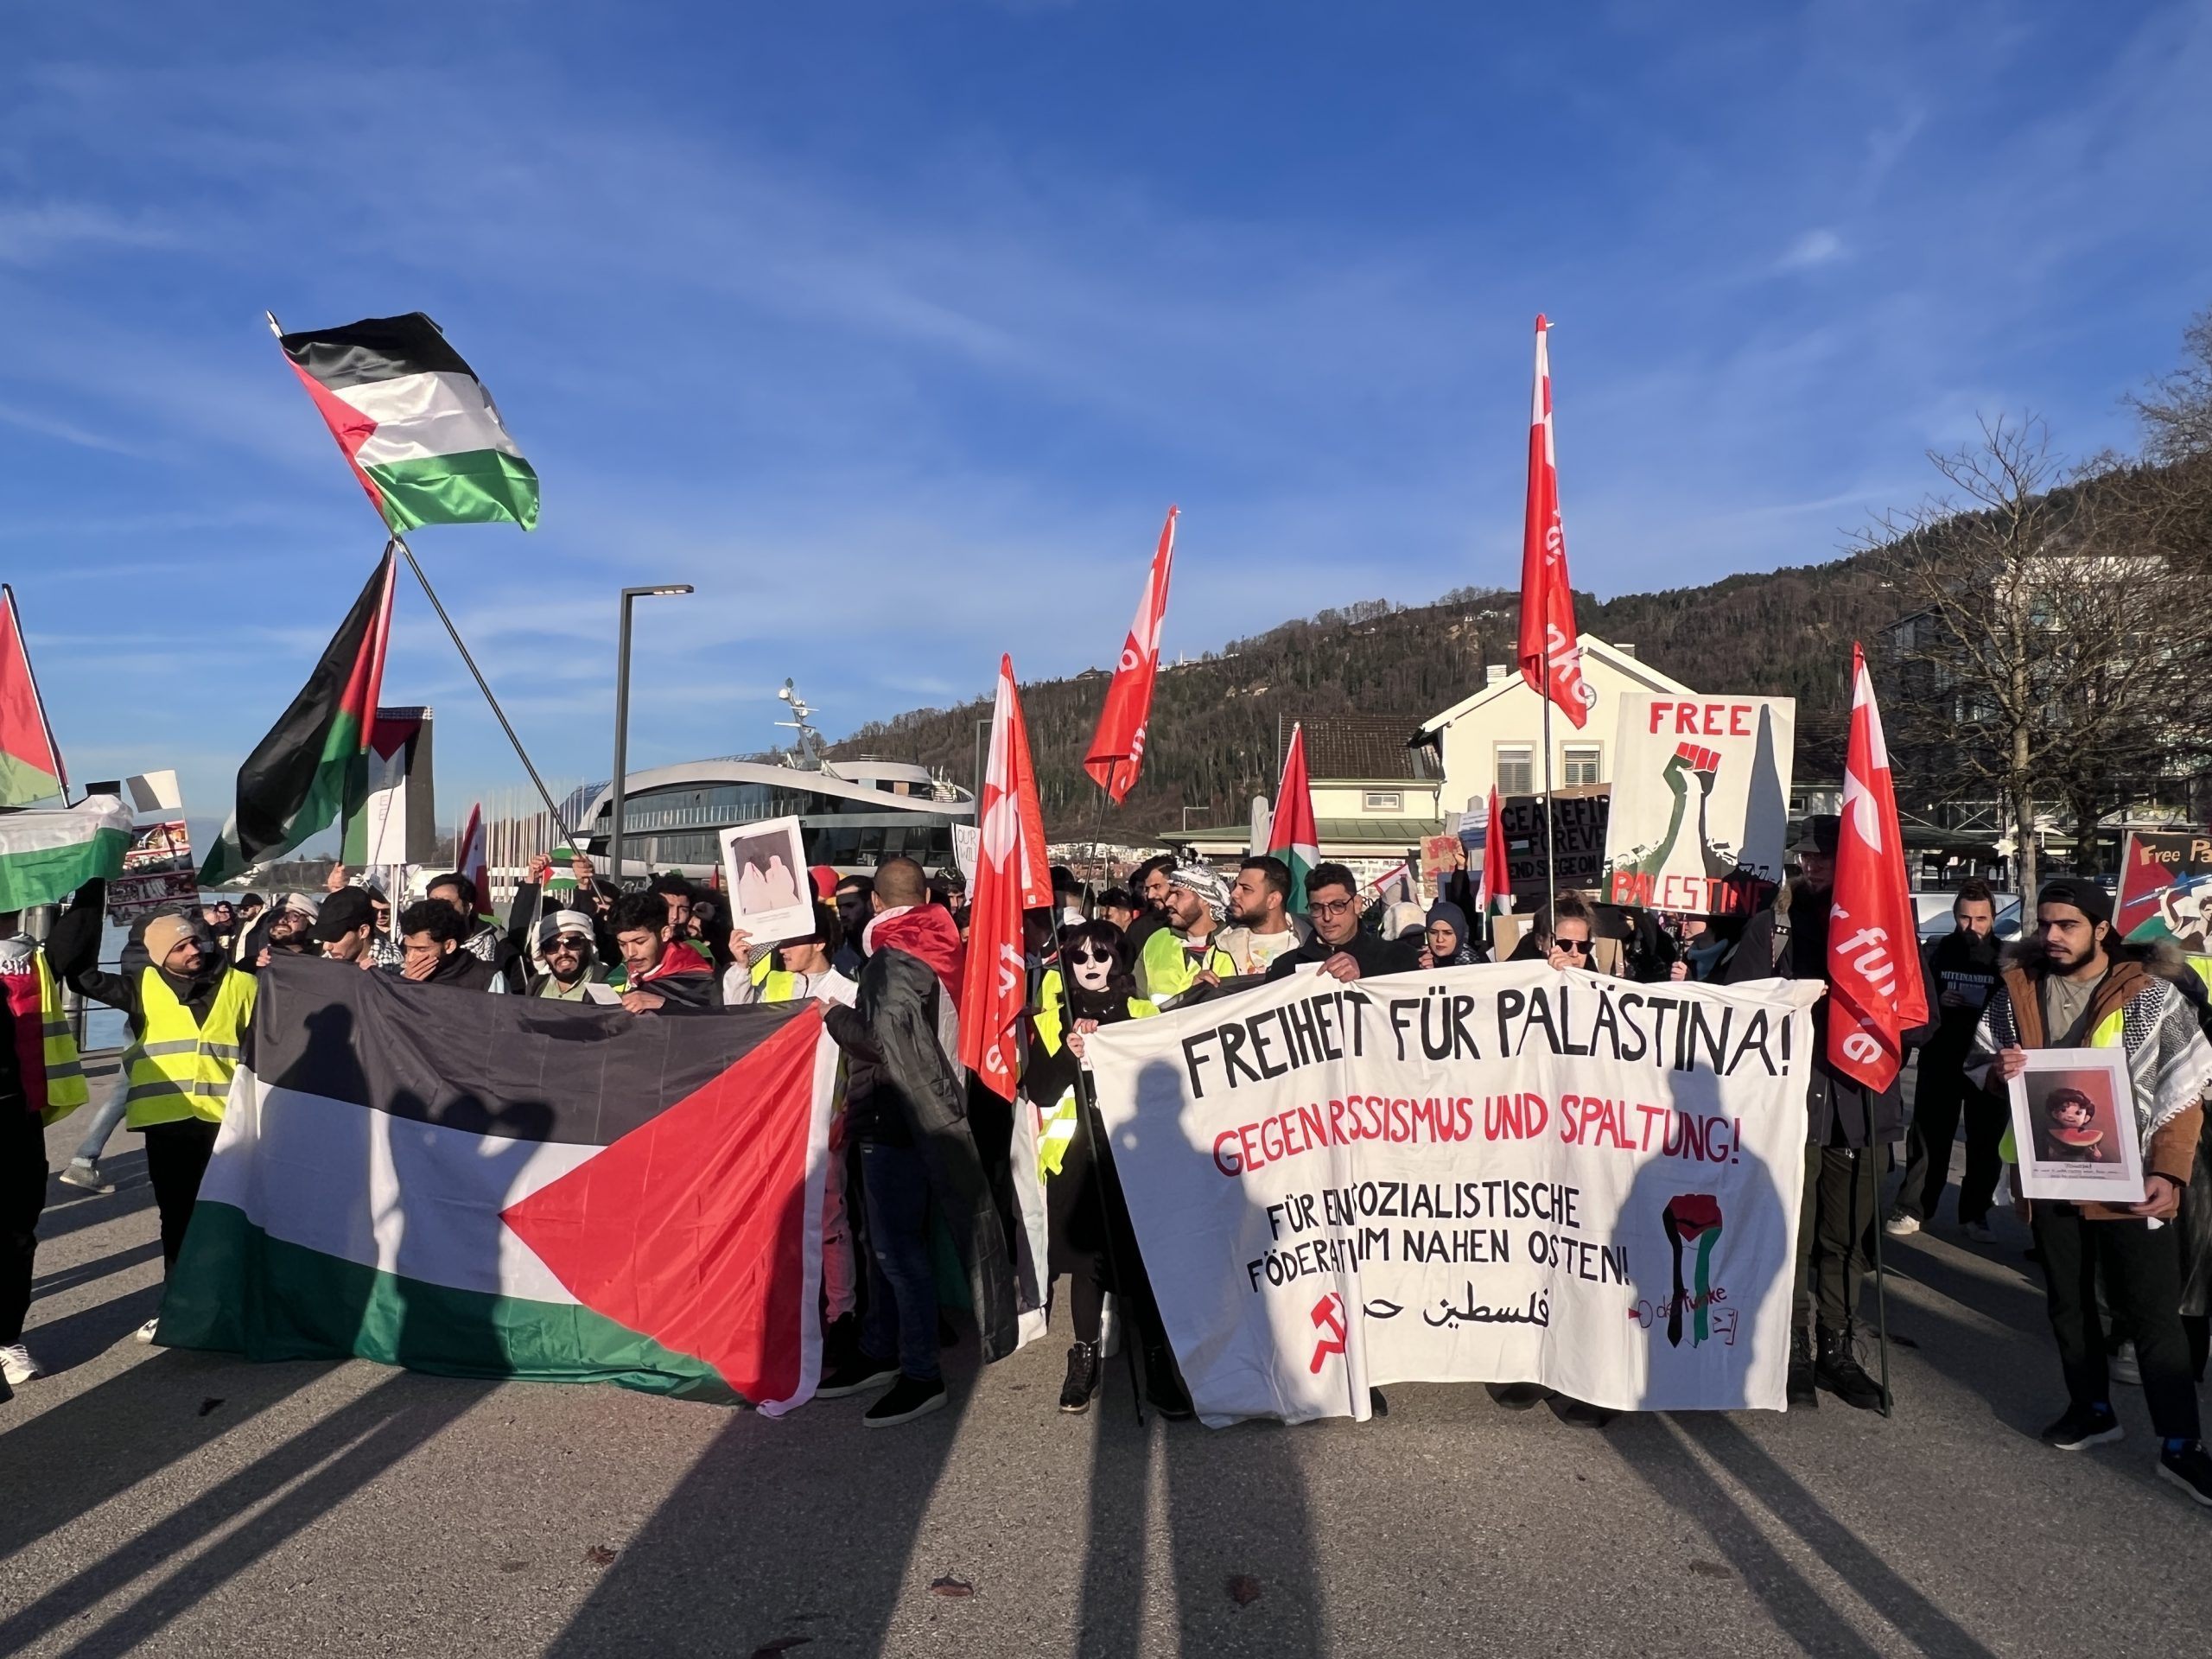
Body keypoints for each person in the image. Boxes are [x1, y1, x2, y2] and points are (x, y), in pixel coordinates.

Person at [1974, 878, 2212, 1504]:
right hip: (2049, 1177)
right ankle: (2092, 1408)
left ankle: (2181, 1445)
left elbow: (2183, 1094)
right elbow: (1979, 1067)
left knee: (2153, 1314)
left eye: (2068, 925)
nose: (2052, 937)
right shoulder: (2013, 995)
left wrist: (2171, 1172)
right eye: (2045, 925)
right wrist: (2000, 1073)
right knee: (2068, 1305)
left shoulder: (2153, 998)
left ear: (2101, 929)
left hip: (2129, 1179)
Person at [1719, 815, 1933, 1411]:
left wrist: (1869, 1013)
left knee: (1847, 1240)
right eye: (1806, 856)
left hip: (1863, 1110)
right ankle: (1790, 1350)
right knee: (1793, 1234)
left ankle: (1836, 1348)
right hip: (1794, 1111)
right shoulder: (1775, 928)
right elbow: (1738, 1013)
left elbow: (1923, 1022)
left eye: (1824, 856)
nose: (1811, 865)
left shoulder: (1890, 934)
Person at [819, 857, 1015, 1427]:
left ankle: (921, 1373)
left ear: (877, 905)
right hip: (944, 1111)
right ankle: (882, 1349)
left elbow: (884, 1043)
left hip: (895, 1117)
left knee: (894, 1251)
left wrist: (834, 1016)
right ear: (926, 896)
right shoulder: (948, 948)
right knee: (895, 1246)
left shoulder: (890, 958)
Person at [60, 905, 257, 1341]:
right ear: (158, 954)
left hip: (226, 1125)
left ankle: (231, 1301)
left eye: (195, 941)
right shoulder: (140, 988)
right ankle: (178, 1302)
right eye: (182, 945)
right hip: (167, 1126)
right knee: (178, 1217)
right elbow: (80, 976)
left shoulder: (242, 985)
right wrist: (91, 900)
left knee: (227, 1216)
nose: (195, 950)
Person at [1023, 921, 1186, 1415]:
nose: (1091, 966)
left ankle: (1158, 1363)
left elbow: (1166, 1082)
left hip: (1134, 1153)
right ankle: (1084, 1358)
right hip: (1077, 1155)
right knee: (1086, 1265)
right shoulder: (1054, 1016)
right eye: (1079, 957)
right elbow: (1042, 1088)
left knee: (1144, 1258)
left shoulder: (1142, 1012)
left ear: (1120, 960)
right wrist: (1067, 1050)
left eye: (1102, 955)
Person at [0, 900, 91, 1387]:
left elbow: (75, 936)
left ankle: (6, 1338)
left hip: (20, 1114)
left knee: (17, 1235)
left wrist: (96, 866)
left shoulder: (32, 958)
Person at [1888, 881, 2008, 1240]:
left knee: (1985, 1141)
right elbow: (1912, 997)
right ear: (1955, 917)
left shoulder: (2006, 958)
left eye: (1981, 919)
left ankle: (1975, 1213)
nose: (1972, 927)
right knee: (1929, 1136)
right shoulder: (1937, 951)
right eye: (1965, 918)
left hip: (1987, 1061)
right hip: (1941, 1056)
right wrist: (1940, 999)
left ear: (1993, 917)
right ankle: (1913, 1208)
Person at [1265, 863, 1423, 983]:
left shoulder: (1401, 958)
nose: (1327, 917)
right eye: (1317, 908)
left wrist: (1364, 975)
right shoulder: (1284, 968)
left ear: (1357, 904)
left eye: (1337, 906)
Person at [1135, 862, 1236, 1006]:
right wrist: (1188, 996)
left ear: (1204, 899)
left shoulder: (1237, 943)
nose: (1169, 902)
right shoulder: (1157, 941)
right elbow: (1134, 1004)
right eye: (1170, 894)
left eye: (1178, 894)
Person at [609, 890, 720, 1013]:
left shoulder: (696, 978)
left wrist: (665, 1005)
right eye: (622, 944)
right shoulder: (620, 973)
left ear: (665, 934)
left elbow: (712, 1022)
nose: (630, 953)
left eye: (640, 942)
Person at [1215, 856, 1309, 979]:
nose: (1234, 894)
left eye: (1246, 889)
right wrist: (1199, 988)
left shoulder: (1310, 946)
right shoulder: (1221, 947)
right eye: (1235, 886)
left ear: (1273, 900)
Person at [426, 872, 523, 991]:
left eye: (446, 903)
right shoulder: (416, 944)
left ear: (468, 907)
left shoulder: (500, 946)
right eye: (432, 903)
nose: (438, 910)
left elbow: (519, 994)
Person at [397, 899, 503, 991]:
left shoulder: (487, 979)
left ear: (449, 946)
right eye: (408, 949)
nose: (410, 958)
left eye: (422, 949)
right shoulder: (403, 977)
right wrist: (406, 988)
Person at [526, 911, 608, 1000]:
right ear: (543, 953)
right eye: (551, 946)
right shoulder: (536, 985)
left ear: (588, 945)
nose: (563, 952)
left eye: (573, 942)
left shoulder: (610, 981)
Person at [1122, 855, 1177, 957]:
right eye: (1147, 889)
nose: (1150, 895)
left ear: (1175, 885)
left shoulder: (1190, 922)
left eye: (1157, 887)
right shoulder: (1141, 928)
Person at [311, 887, 380, 966]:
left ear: (363, 931)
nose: (326, 947)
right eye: (324, 938)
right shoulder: (323, 966)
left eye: (334, 937)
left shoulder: (393, 971)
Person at [832, 874, 874, 978]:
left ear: (871, 904)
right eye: (839, 907)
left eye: (850, 906)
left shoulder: (888, 945)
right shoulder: (837, 949)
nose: (843, 913)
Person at [1426, 899, 1481, 967]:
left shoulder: (1469, 963)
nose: (1440, 939)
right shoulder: (1424, 957)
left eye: (1447, 933)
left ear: (1459, 935)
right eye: (1433, 932)